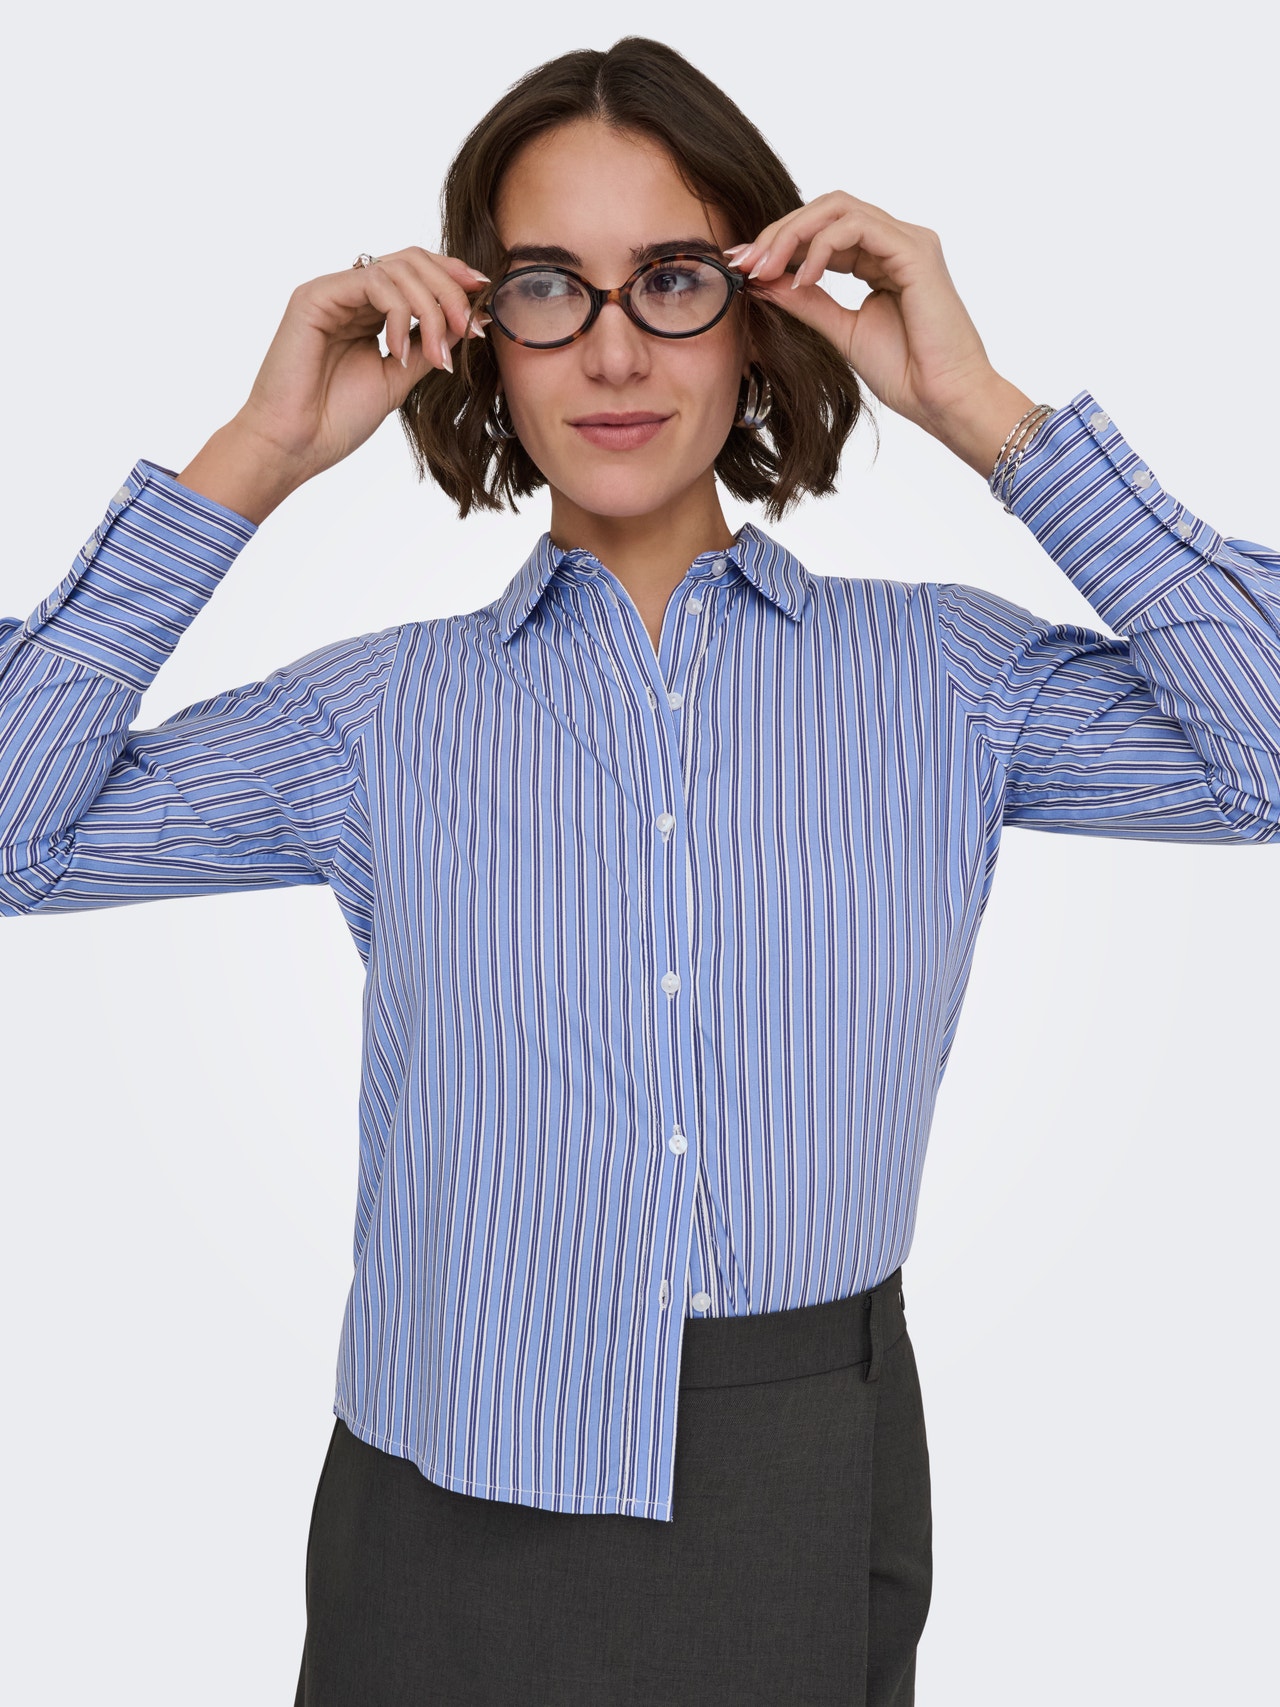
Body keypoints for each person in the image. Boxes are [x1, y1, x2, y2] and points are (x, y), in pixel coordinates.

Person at [3, 32, 1278, 1707]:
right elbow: (17, 836)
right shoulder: (374, 716)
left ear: (762, 306)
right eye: (548, 288)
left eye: (673, 280)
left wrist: (983, 411)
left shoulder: (947, 680)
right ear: (479, 333)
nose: (612, 352)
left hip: (794, 1476)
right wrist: (257, 450)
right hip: (438, 1494)